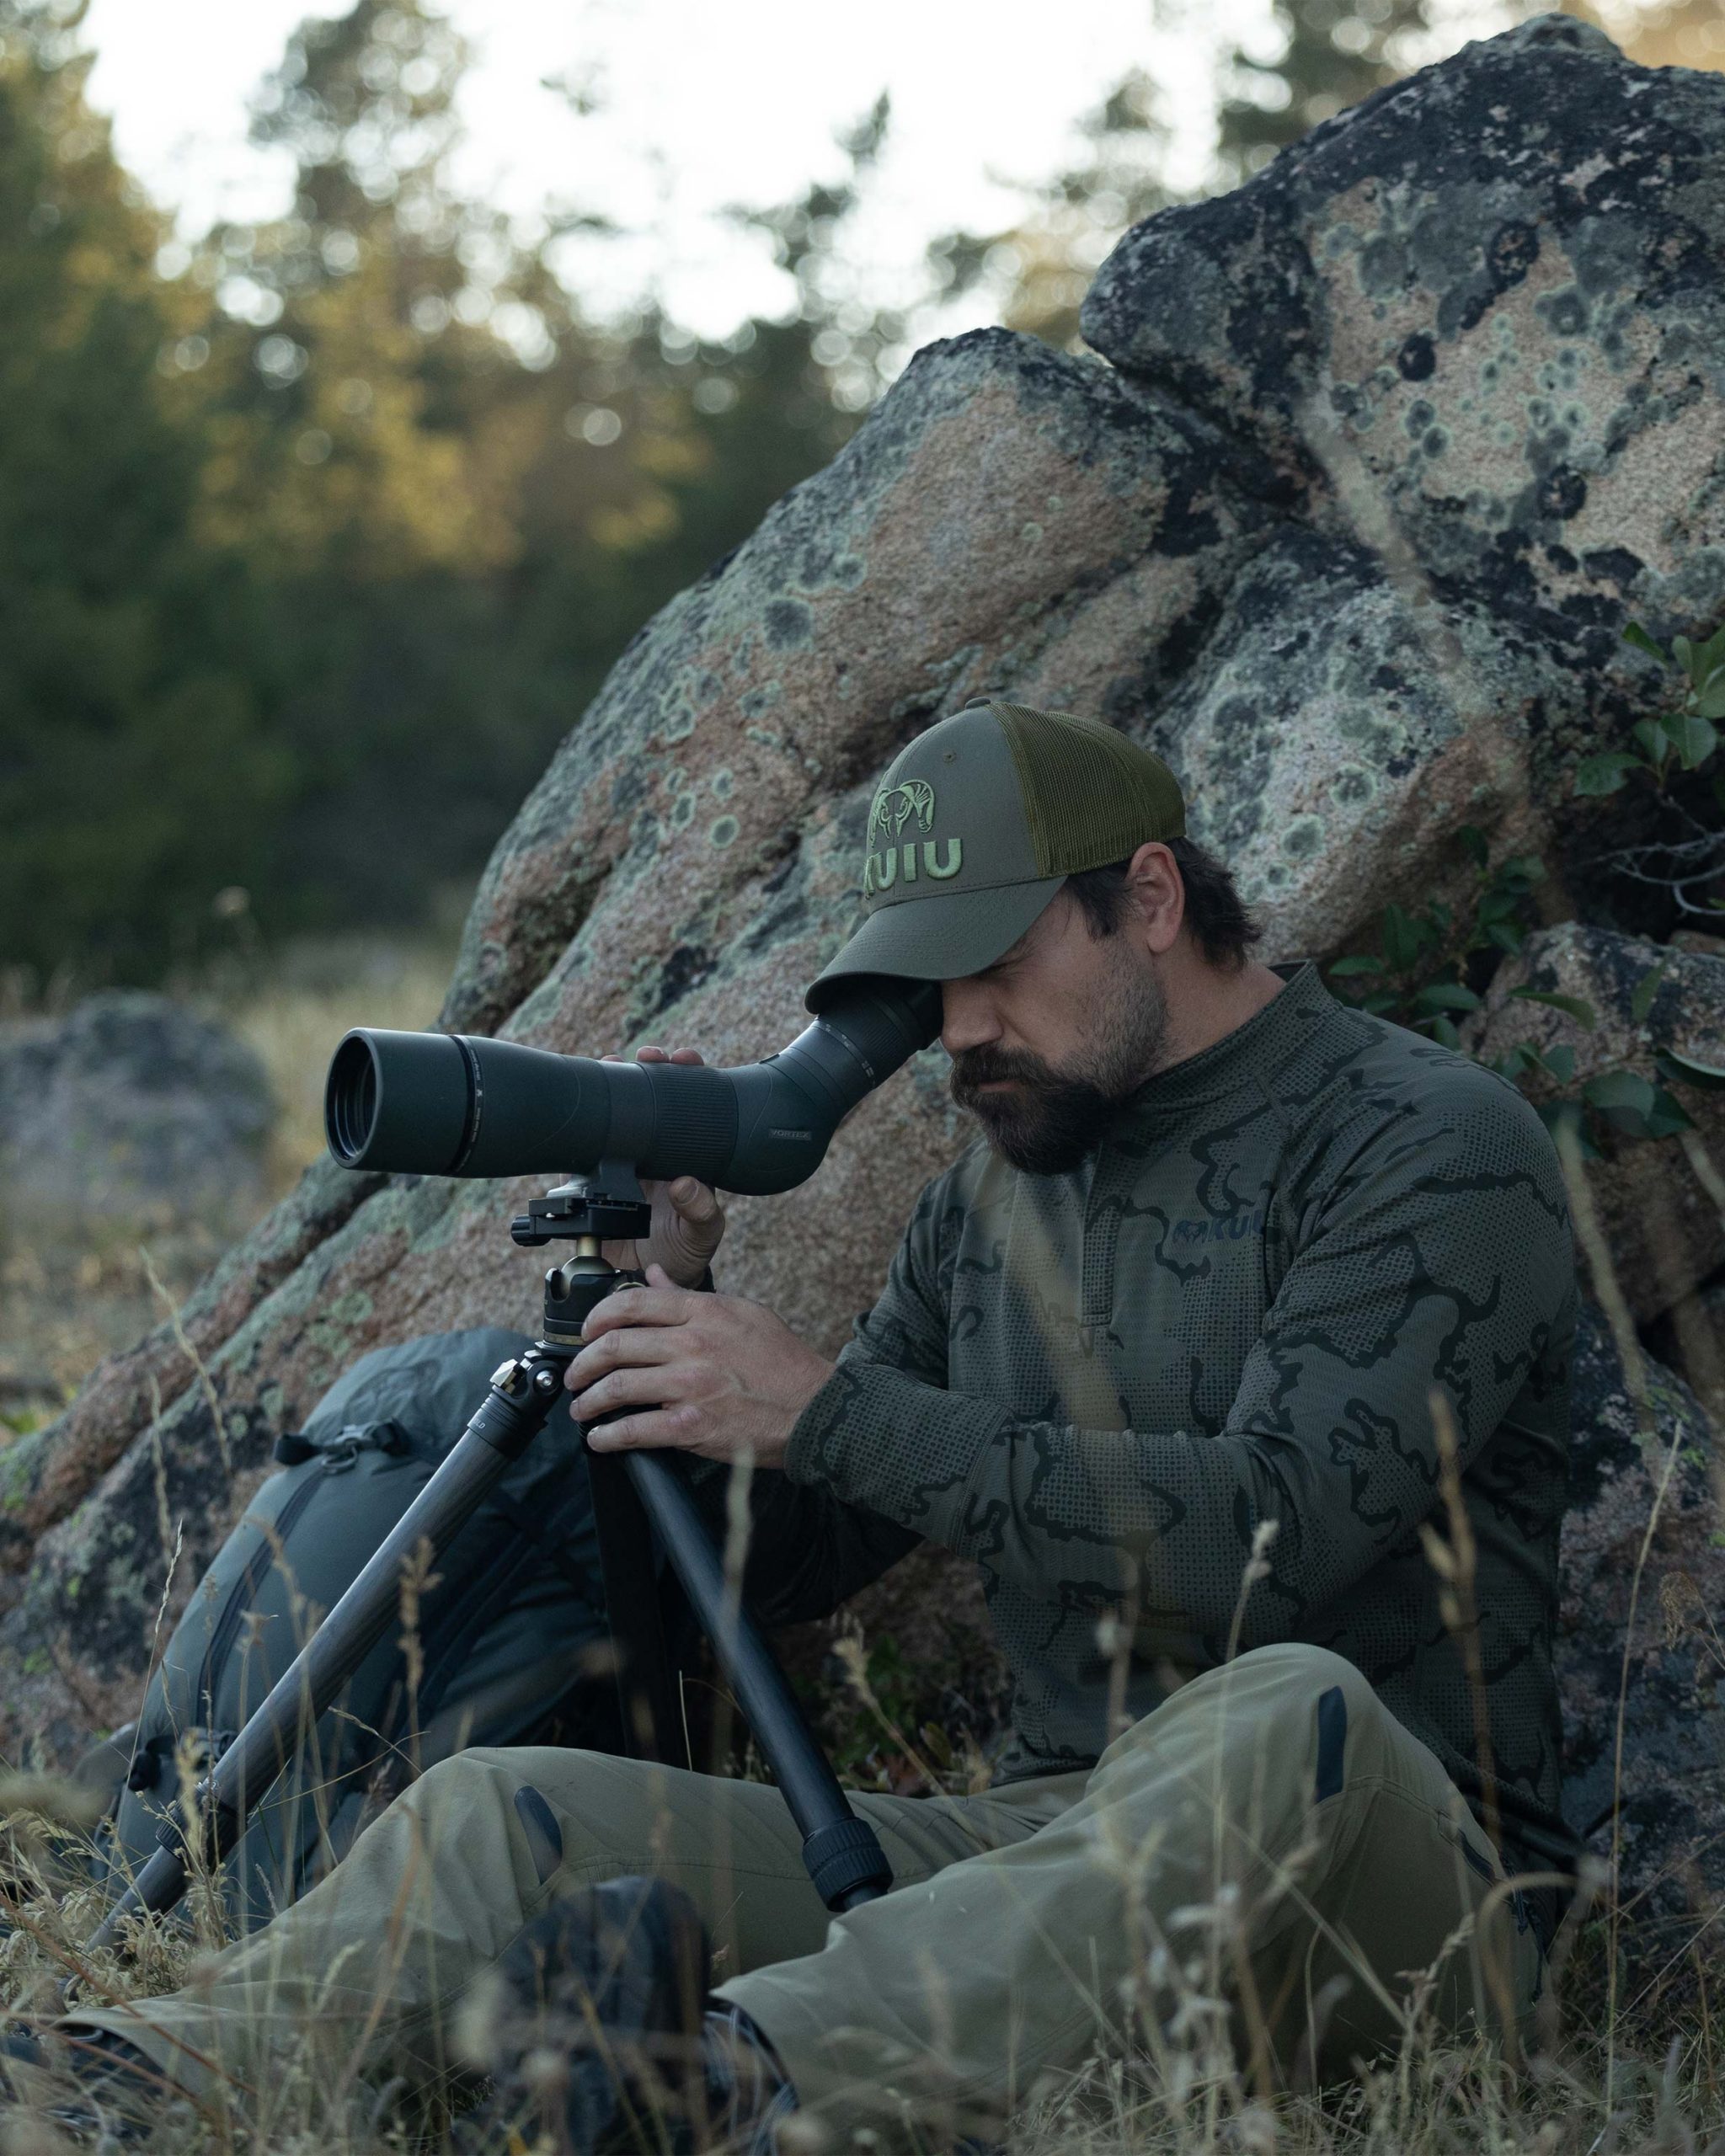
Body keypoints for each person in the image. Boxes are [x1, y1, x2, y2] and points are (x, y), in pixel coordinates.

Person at [48, 699, 1575, 2149]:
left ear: (1152, 900)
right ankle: (114, 2086)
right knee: (510, 1815)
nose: (959, 1028)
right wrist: (681, 1345)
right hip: (1048, 1859)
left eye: (989, 963)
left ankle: (721, 2090)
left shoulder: (1427, 1142)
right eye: (924, 989)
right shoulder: (989, 1203)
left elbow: (1272, 1538)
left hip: (1392, 1894)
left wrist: (832, 1409)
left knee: (1279, 1701)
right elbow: (792, 1568)